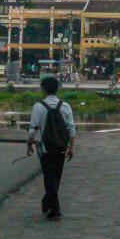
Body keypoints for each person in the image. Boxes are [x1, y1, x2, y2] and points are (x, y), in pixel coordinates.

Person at [27, 76, 76, 220]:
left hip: (44, 148)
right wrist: (71, 148)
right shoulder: (65, 106)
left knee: (48, 177)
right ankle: (48, 203)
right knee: (56, 177)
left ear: (43, 89)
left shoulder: (38, 106)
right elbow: (71, 129)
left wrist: (29, 144)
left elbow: (33, 129)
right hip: (61, 146)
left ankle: (54, 209)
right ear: (57, 88)